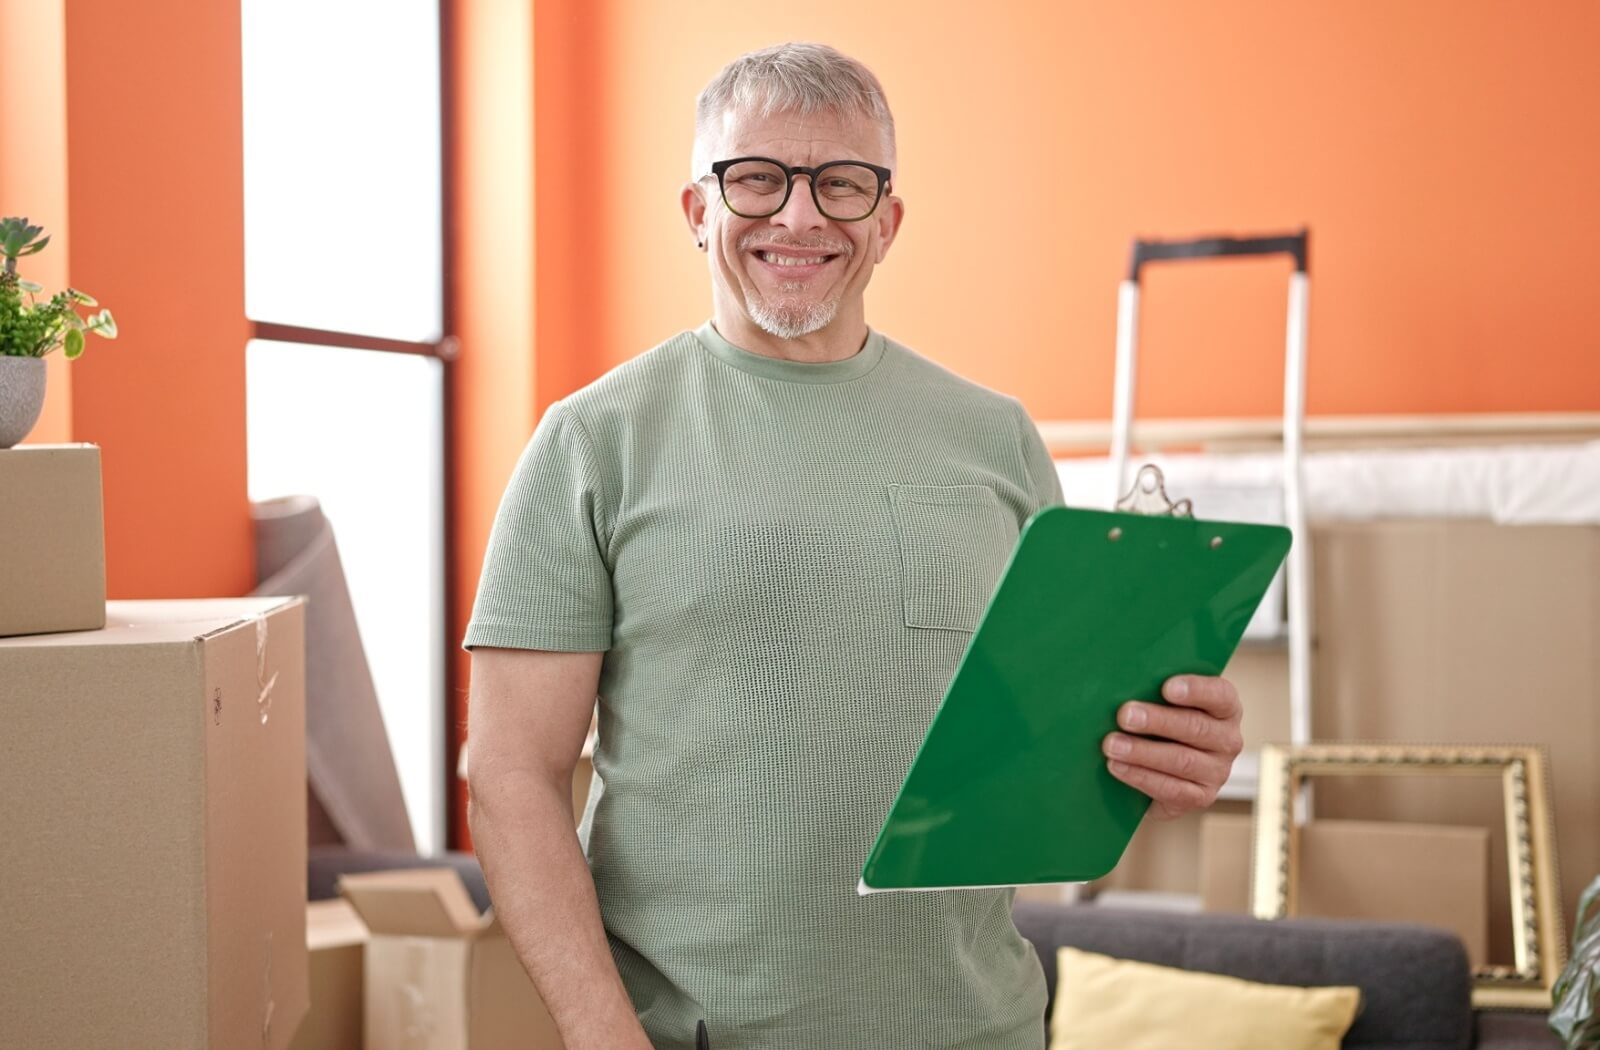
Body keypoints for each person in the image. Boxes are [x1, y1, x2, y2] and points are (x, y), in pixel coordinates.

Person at [463, 41, 1244, 1050]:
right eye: (756, 178)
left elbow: (1052, 743)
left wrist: (1171, 751)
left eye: (841, 184)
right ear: (699, 211)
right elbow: (512, 773)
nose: (799, 216)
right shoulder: (591, 442)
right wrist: (600, 1033)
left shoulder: (995, 438)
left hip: (980, 1029)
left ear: (886, 222)